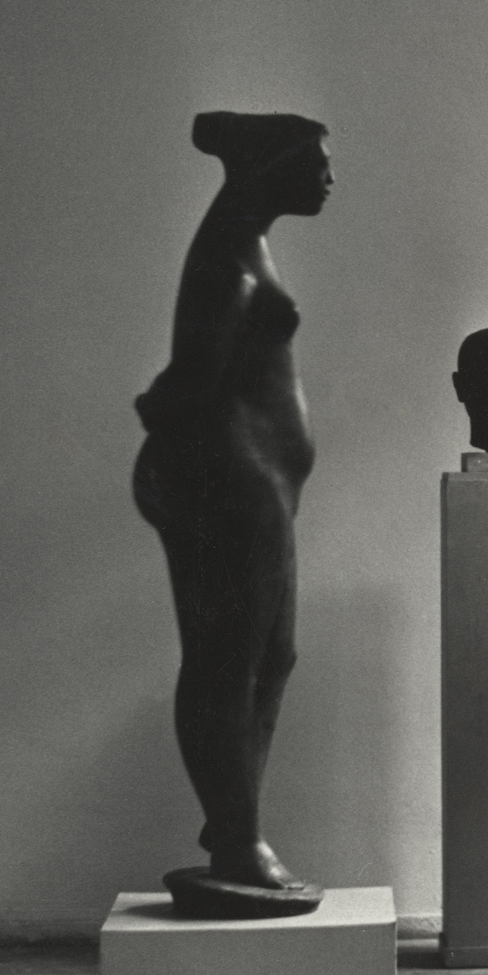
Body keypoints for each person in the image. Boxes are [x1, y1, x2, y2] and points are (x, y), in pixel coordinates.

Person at [132, 111, 334, 912]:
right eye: (314, 162)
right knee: (228, 658)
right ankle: (237, 836)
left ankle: (234, 829)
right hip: (230, 481)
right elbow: (184, 384)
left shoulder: (244, 241)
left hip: (258, 482)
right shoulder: (227, 259)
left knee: (269, 655)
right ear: (267, 166)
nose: (327, 176)